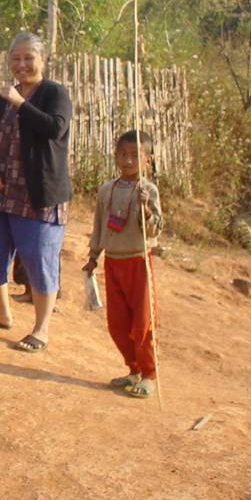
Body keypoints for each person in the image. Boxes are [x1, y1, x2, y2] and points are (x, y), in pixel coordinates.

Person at [0, 31, 72, 353]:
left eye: (28, 58)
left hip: (37, 194)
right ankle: (0, 312)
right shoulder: (5, 97)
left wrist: (21, 103)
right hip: (0, 190)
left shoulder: (54, 92)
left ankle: (41, 329)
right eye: (16, 59)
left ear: (43, 60)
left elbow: (55, 128)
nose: (22, 64)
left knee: (39, 259)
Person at [84, 130, 163, 399]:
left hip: (138, 262)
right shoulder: (107, 190)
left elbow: (154, 230)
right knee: (117, 323)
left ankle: (149, 374)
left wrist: (146, 209)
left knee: (142, 322)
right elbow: (99, 225)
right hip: (113, 262)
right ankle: (133, 369)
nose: (128, 161)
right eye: (123, 154)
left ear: (147, 160)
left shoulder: (148, 190)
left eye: (135, 156)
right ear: (116, 156)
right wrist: (93, 256)